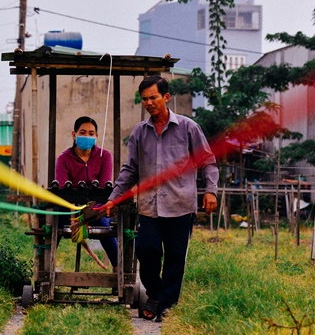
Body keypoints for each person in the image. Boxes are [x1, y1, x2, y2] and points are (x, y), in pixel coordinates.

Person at [103, 75, 218, 321]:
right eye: (144, 99)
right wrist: (114, 198)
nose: (148, 103)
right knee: (147, 250)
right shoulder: (139, 132)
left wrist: (210, 190)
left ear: (166, 97)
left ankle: (165, 307)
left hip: (180, 205)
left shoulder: (188, 128)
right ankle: (154, 295)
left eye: (153, 97)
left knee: (176, 258)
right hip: (149, 207)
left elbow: (207, 161)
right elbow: (130, 170)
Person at [55, 116, 118, 269]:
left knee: (104, 226)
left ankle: (118, 268)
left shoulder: (105, 157)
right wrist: (75, 213)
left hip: (96, 209)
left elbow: (104, 186)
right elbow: (63, 188)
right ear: (74, 134)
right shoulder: (63, 159)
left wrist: (92, 208)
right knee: (54, 226)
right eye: (82, 132)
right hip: (69, 210)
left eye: (91, 133)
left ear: (96, 136)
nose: (87, 136)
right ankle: (46, 267)